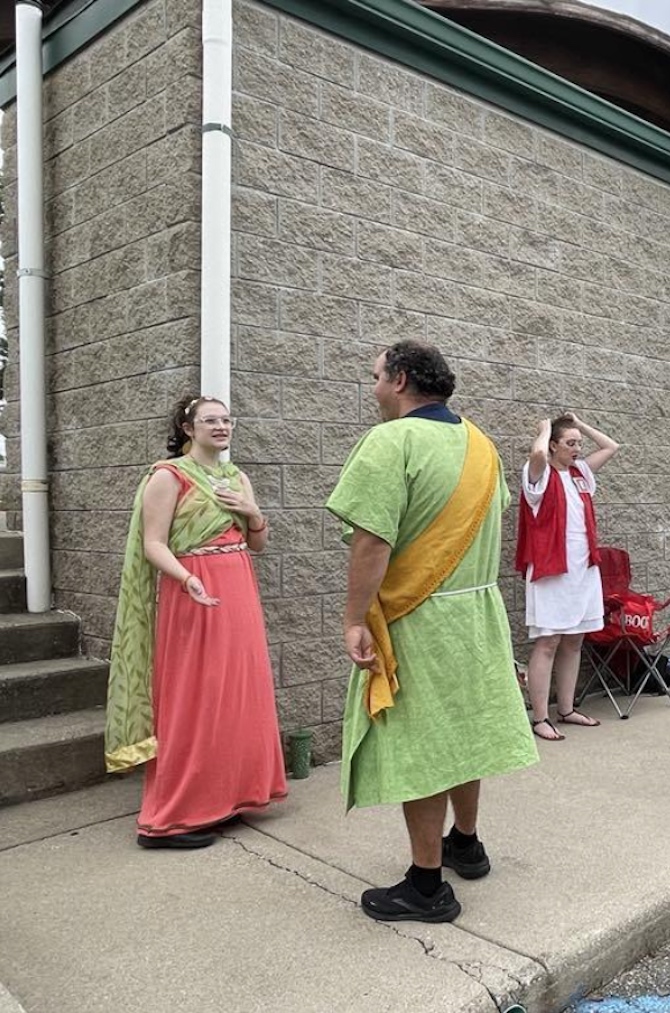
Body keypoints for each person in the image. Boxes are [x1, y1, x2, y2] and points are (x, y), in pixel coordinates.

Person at [326, 340, 537, 924]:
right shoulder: (481, 443)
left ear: (399, 381)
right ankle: (464, 843)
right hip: (476, 613)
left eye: (374, 376)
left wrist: (353, 619)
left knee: (420, 747)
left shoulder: (391, 441)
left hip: (418, 618)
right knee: (464, 734)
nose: (372, 388)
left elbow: (372, 539)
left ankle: (425, 886)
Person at [105, 396, 287, 849]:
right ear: (188, 428)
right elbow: (153, 544)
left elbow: (259, 542)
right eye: (210, 420)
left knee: (239, 692)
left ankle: (229, 796)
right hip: (194, 590)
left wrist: (252, 512)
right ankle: (169, 819)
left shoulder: (236, 476)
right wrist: (186, 579)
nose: (221, 426)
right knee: (196, 697)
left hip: (238, 585)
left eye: (226, 419)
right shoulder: (167, 477)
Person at [515, 413, 619, 740]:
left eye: (578, 443)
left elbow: (611, 446)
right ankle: (541, 717)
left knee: (574, 640)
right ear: (553, 446)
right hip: (550, 570)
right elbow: (535, 455)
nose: (577, 448)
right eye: (571, 443)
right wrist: (544, 429)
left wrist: (581, 424)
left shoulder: (581, 474)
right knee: (548, 641)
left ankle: (567, 708)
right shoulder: (539, 474)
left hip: (582, 569)